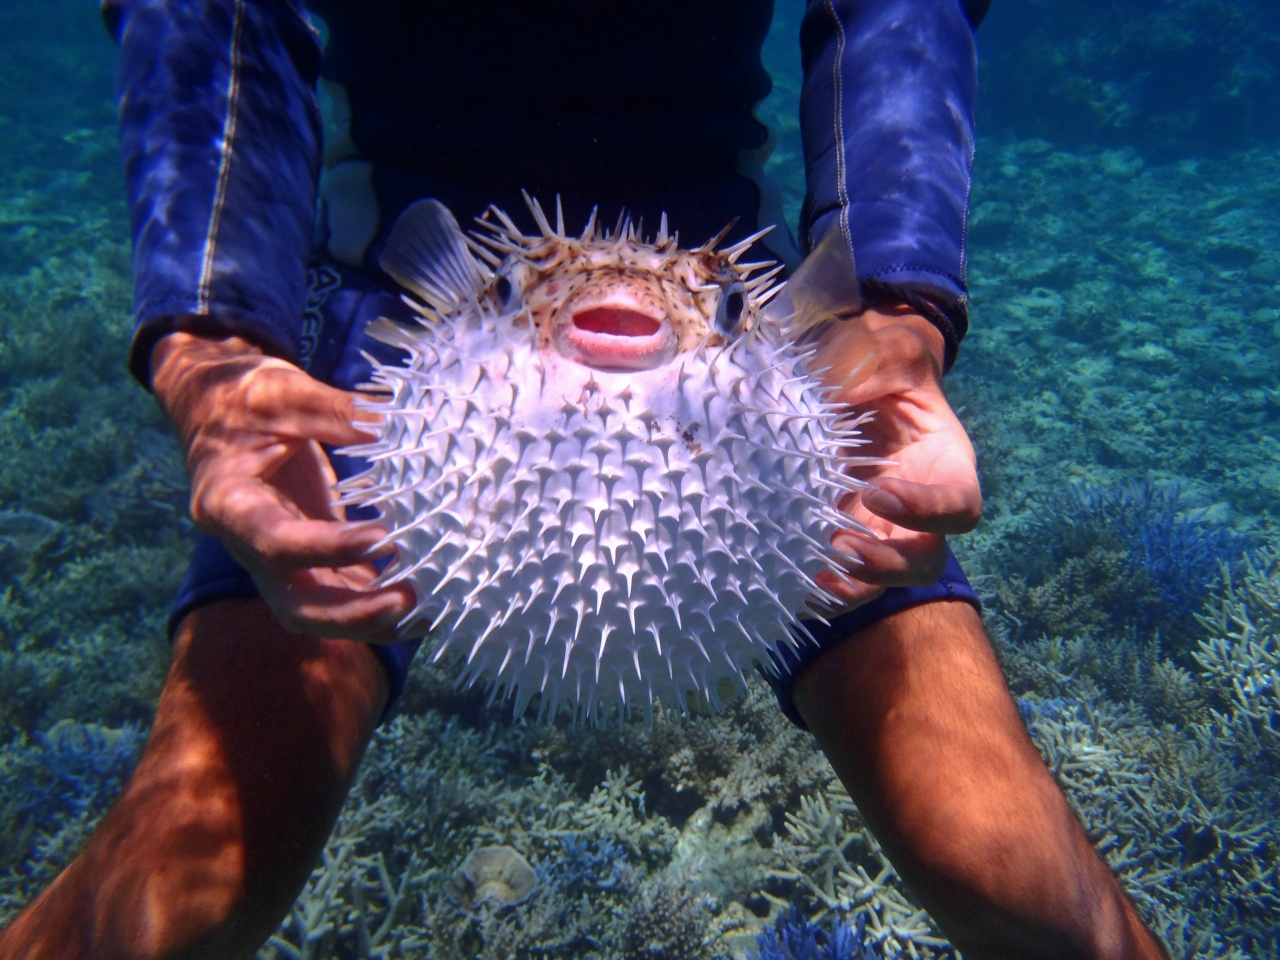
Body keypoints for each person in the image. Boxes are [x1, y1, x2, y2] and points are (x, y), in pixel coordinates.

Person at [0, 0, 1167, 957]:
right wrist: (216, 348)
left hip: (749, 361)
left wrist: (897, 312)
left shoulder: (768, 373)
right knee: (178, 893)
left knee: (1003, 863)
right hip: (407, 348)